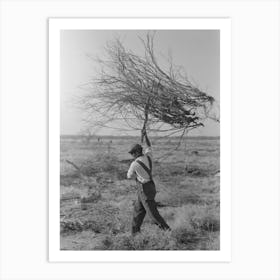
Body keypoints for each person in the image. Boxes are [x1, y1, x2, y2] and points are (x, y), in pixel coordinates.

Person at [127, 130, 170, 235]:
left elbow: (129, 176)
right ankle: (134, 234)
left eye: (132, 153)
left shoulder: (135, 164)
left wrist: (136, 174)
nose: (132, 155)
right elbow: (149, 145)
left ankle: (168, 231)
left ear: (137, 152)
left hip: (143, 189)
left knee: (153, 214)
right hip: (151, 186)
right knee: (138, 211)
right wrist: (145, 136)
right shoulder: (149, 156)